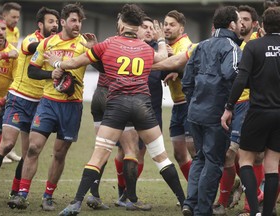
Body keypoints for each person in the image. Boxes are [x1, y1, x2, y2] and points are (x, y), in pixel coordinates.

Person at [44, 4, 186, 216]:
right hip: (142, 106)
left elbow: (74, 62)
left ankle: (76, 202)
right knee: (161, 157)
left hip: (116, 106)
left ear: (121, 24)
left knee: (98, 155)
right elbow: (163, 57)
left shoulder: (107, 44)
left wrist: (57, 64)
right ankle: (185, 202)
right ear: (138, 27)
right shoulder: (146, 48)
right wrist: (162, 40)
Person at [7, 3, 88, 210]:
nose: (77, 24)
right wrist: (50, 74)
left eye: (79, 21)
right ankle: (22, 194)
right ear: (63, 22)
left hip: (71, 106)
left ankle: (48, 196)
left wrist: (93, 50)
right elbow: (32, 71)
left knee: (59, 154)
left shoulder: (84, 44)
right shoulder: (47, 43)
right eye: (73, 20)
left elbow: (101, 67)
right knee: (33, 147)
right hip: (48, 103)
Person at [0, 6, 59, 211]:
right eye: (50, 22)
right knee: (6, 144)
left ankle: (16, 192)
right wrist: (53, 45)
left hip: (41, 103)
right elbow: (32, 49)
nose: (54, 25)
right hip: (19, 99)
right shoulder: (31, 39)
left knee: (30, 150)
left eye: (56, 22)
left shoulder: (59, 47)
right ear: (40, 25)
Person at [181, 6, 243, 216]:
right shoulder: (232, 47)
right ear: (231, 24)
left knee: (199, 158)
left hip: (195, 112)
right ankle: (203, 210)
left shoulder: (201, 45)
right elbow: (232, 73)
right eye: (238, 21)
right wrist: (229, 105)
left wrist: (195, 102)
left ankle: (190, 203)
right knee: (214, 161)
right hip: (217, 113)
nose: (240, 25)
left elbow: (187, 81)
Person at [221, 6, 280, 216]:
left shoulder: (253, 46)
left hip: (258, 112)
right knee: (272, 165)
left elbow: (241, 80)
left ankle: (254, 210)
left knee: (245, 160)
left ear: (262, 26)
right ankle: (267, 213)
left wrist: (229, 107)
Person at [213, 5, 263, 215]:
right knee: (230, 156)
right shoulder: (230, 43)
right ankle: (238, 196)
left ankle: (246, 204)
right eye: (238, 19)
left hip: (247, 105)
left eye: (246, 19)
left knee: (242, 155)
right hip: (228, 105)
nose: (241, 22)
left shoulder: (255, 45)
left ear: (254, 24)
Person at [114, 16, 166, 207]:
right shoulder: (126, 49)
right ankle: (122, 191)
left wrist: (176, 71)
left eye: (152, 28)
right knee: (123, 151)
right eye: (145, 27)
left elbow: (170, 67)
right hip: (126, 107)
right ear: (136, 30)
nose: (150, 30)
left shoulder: (160, 52)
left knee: (140, 153)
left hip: (151, 110)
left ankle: (127, 194)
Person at [163, 10, 194, 182]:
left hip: (189, 104)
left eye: (172, 25)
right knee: (179, 153)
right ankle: (194, 191)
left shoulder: (185, 45)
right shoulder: (169, 46)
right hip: (177, 106)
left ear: (181, 29)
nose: (167, 28)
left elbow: (189, 66)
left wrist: (178, 70)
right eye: (166, 24)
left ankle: (204, 193)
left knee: (194, 151)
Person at [0, 13, 18, 170]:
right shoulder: (9, 53)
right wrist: (5, 55)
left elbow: (17, 85)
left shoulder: (14, 53)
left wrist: (0, 103)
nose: (1, 32)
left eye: (3, 29)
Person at [0, 1, 22, 163]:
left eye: (18, 17)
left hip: (9, 75)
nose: (16, 20)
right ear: (4, 16)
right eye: (13, 17)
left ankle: (9, 150)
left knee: (10, 116)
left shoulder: (16, 31)